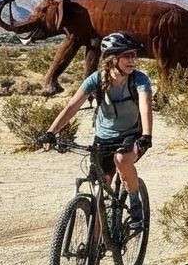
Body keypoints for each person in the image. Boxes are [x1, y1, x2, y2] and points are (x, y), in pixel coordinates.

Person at [40, 31, 153, 229]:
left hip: (133, 135)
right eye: (127, 55)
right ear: (113, 58)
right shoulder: (96, 79)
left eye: (134, 55)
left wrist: (146, 136)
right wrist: (51, 132)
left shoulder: (139, 80)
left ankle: (135, 203)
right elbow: (71, 107)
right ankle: (94, 247)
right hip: (104, 138)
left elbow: (145, 106)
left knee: (121, 160)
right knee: (99, 185)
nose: (133, 60)